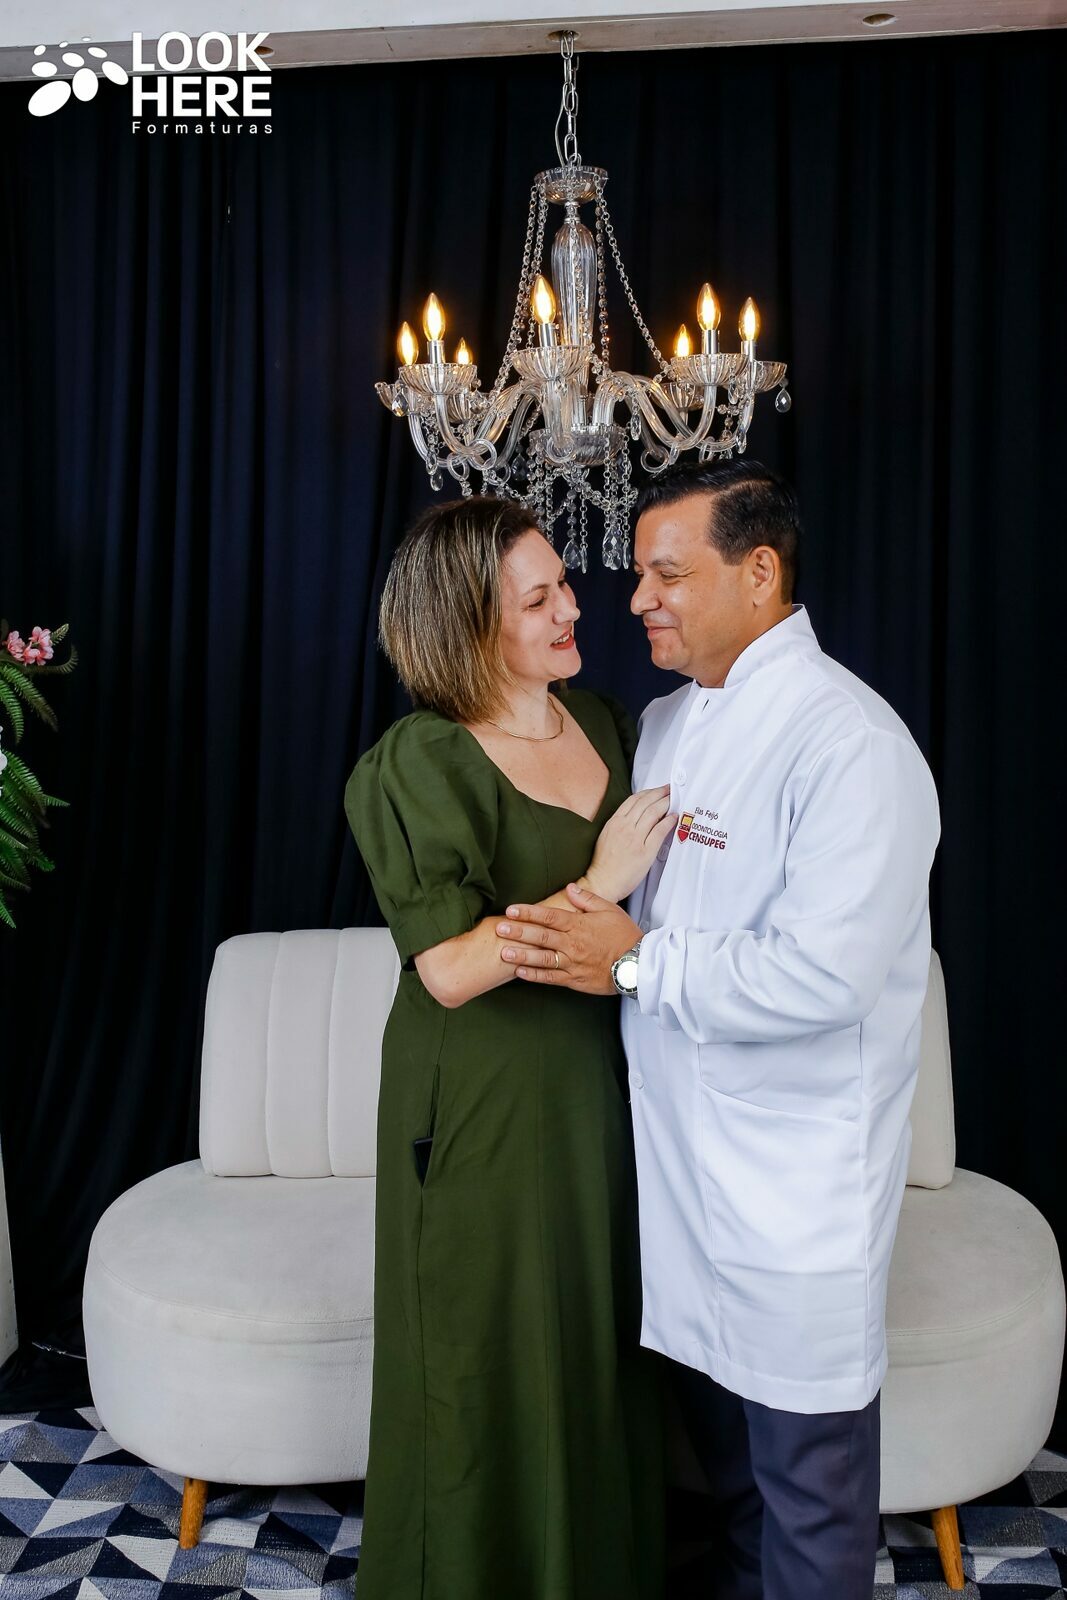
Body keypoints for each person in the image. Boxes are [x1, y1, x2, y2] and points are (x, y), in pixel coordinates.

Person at [493, 459, 942, 1600]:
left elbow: (823, 975)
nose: (636, 597)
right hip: (677, 1187)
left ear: (758, 571)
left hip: (792, 1202)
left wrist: (632, 961)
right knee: (724, 1487)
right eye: (638, 573)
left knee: (808, 1500)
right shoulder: (662, 725)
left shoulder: (850, 743)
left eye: (667, 574)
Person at [343, 495, 672, 1600]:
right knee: (486, 1359)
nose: (573, 608)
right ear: (468, 627)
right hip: (479, 1104)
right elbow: (449, 966)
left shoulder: (608, 724)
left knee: (594, 1348)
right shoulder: (420, 760)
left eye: (562, 585)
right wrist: (598, 886)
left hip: (601, 1089)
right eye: (538, 600)